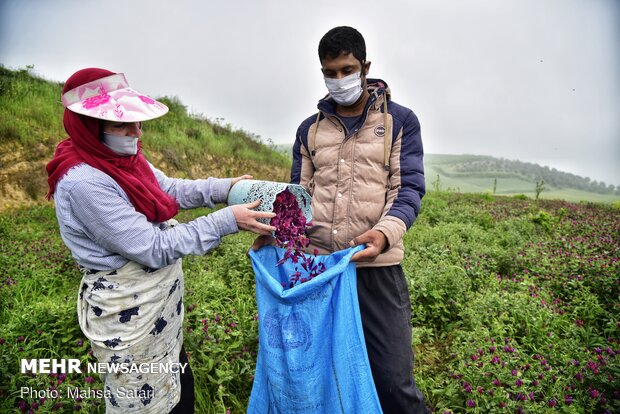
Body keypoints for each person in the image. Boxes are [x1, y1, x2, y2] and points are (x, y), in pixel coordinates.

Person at [46, 68, 275, 414]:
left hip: (161, 314)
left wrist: (224, 188)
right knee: (141, 403)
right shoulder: (84, 182)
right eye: (122, 125)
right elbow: (154, 247)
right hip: (130, 318)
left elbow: (167, 189)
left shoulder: (120, 159)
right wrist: (228, 220)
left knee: (178, 394)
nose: (136, 132)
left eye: (136, 122)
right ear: (89, 125)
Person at [290, 26, 429, 413]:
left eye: (346, 69)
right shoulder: (310, 129)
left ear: (365, 67)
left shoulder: (399, 121)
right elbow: (297, 195)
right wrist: (281, 235)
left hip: (376, 268)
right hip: (320, 270)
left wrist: (384, 235)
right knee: (323, 372)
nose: (339, 80)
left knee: (393, 380)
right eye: (329, 73)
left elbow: (409, 189)